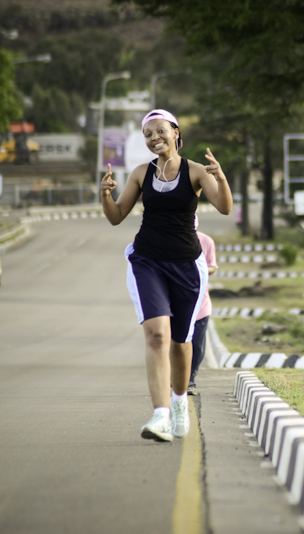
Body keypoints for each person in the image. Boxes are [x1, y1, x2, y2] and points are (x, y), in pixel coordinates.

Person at [100, 109, 232, 442]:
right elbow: (116, 216)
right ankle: (160, 415)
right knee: (158, 335)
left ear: (175, 132)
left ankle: (178, 402)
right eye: (148, 134)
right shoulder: (141, 173)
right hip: (147, 261)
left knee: (181, 341)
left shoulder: (195, 171)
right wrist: (105, 195)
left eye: (160, 130)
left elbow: (224, 206)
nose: (154, 137)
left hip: (187, 265)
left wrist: (221, 177)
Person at [187, 215, 217, 396]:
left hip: (201, 304)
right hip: (175, 304)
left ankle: (190, 380)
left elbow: (212, 266)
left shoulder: (206, 241)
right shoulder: (170, 241)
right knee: (178, 343)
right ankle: (178, 377)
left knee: (197, 345)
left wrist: (201, 268)